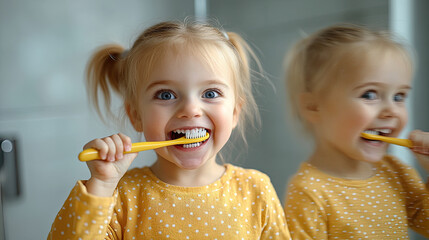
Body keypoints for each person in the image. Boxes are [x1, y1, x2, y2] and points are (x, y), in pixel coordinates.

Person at [48, 20, 290, 239]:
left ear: (235, 112)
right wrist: (100, 185)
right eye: (166, 95)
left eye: (210, 93)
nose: (191, 109)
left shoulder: (256, 190)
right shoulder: (119, 196)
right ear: (136, 115)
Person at [283, 24, 429, 239]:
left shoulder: (396, 172)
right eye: (369, 95)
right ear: (314, 106)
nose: (391, 111)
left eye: (399, 97)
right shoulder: (309, 193)